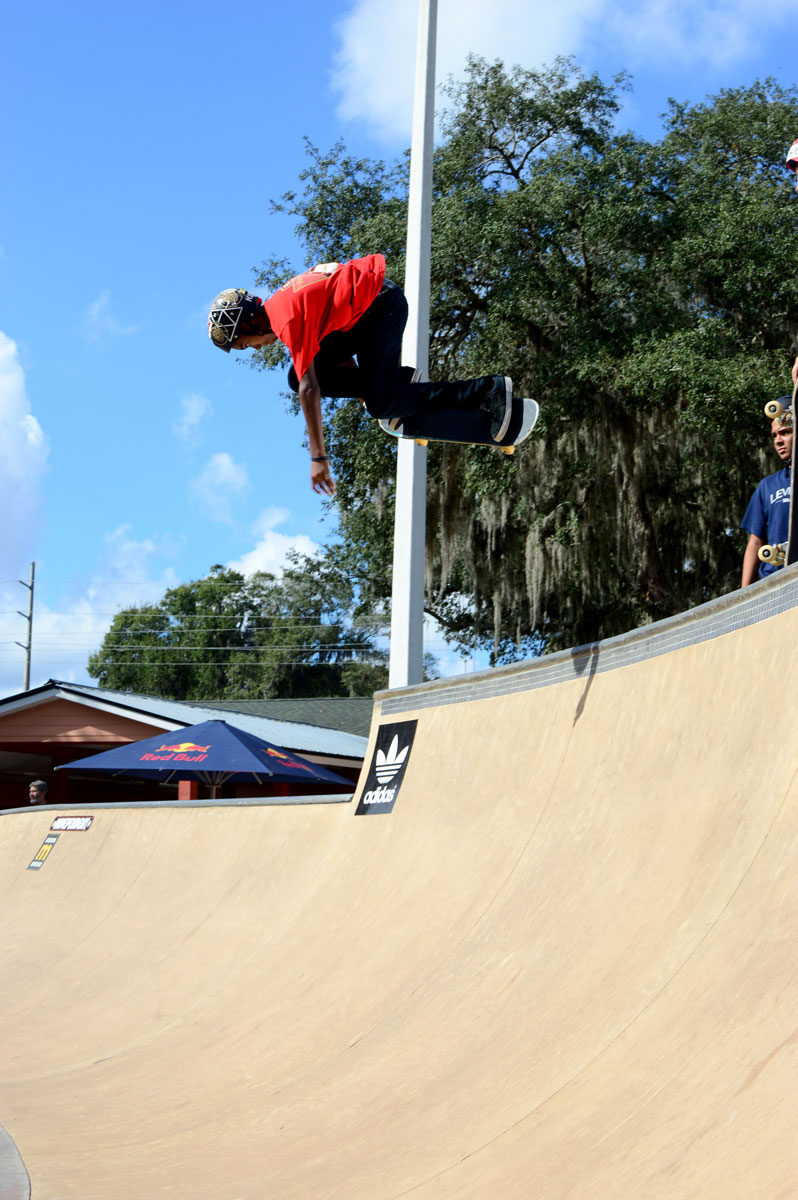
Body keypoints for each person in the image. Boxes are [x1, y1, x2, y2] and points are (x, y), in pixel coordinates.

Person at [208, 254, 517, 495]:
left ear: (248, 325)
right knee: (297, 376)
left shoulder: (287, 320)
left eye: (246, 344)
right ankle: (398, 385)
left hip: (381, 306)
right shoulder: (282, 304)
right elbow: (334, 346)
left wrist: (319, 459)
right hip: (366, 310)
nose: (255, 349)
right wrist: (362, 389)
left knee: (379, 402)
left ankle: (487, 389)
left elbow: (310, 390)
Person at [741, 399, 793, 586]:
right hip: (774, 583)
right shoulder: (768, 486)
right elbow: (755, 542)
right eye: (774, 435)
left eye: (785, 432)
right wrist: (743, 599)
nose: (778, 440)